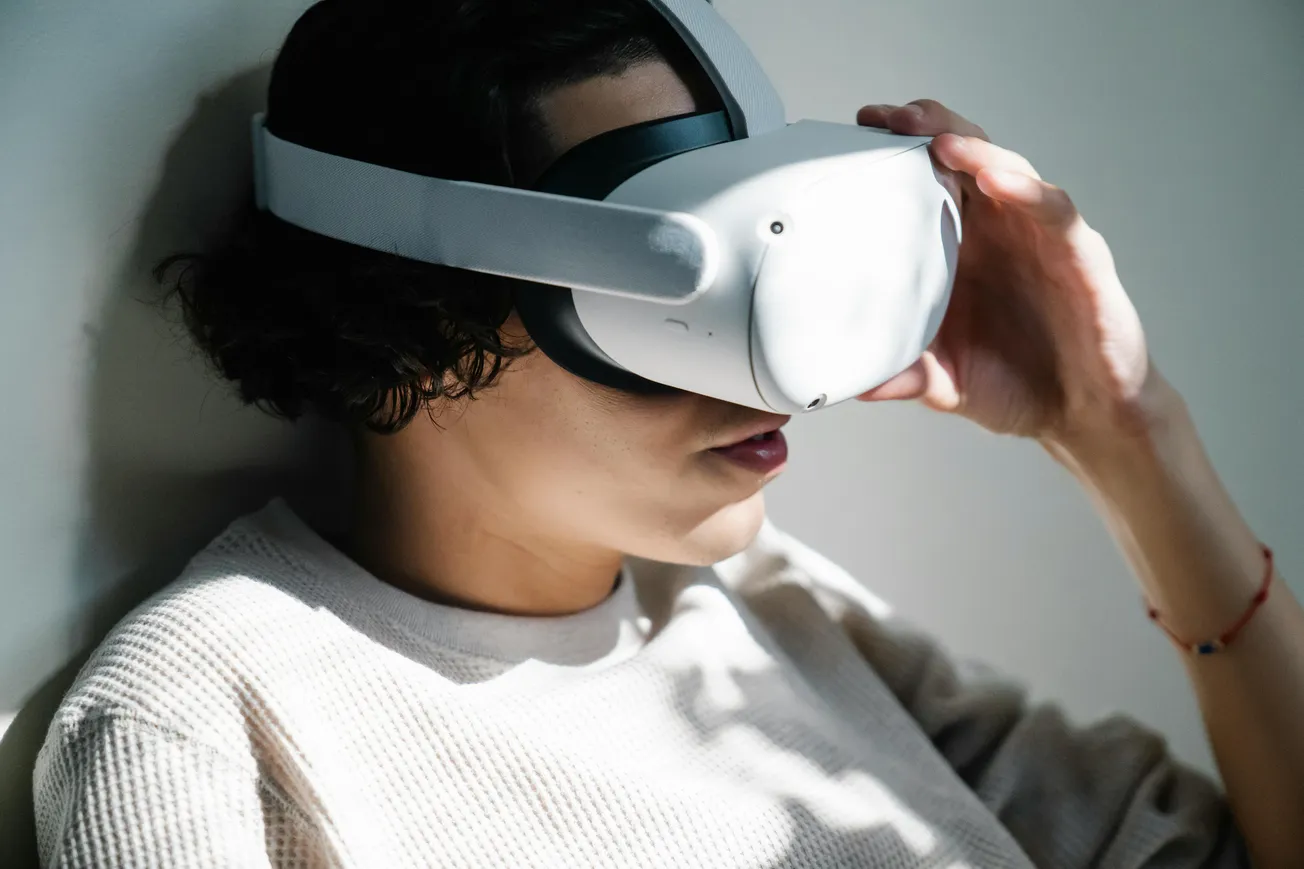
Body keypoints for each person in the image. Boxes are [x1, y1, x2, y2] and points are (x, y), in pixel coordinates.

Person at [32, 0, 1303, 866]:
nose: (779, 382)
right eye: (674, 301)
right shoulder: (203, 709)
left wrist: (1128, 434)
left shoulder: (766, 609)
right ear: (398, 326)